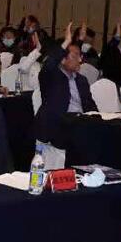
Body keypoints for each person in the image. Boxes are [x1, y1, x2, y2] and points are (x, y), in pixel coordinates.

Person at [34, 22, 98, 169]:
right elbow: (50, 63)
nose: (80, 60)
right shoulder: (51, 77)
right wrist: (67, 42)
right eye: (76, 56)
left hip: (79, 124)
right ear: (62, 59)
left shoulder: (81, 80)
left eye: (80, 56)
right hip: (57, 126)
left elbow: (90, 105)